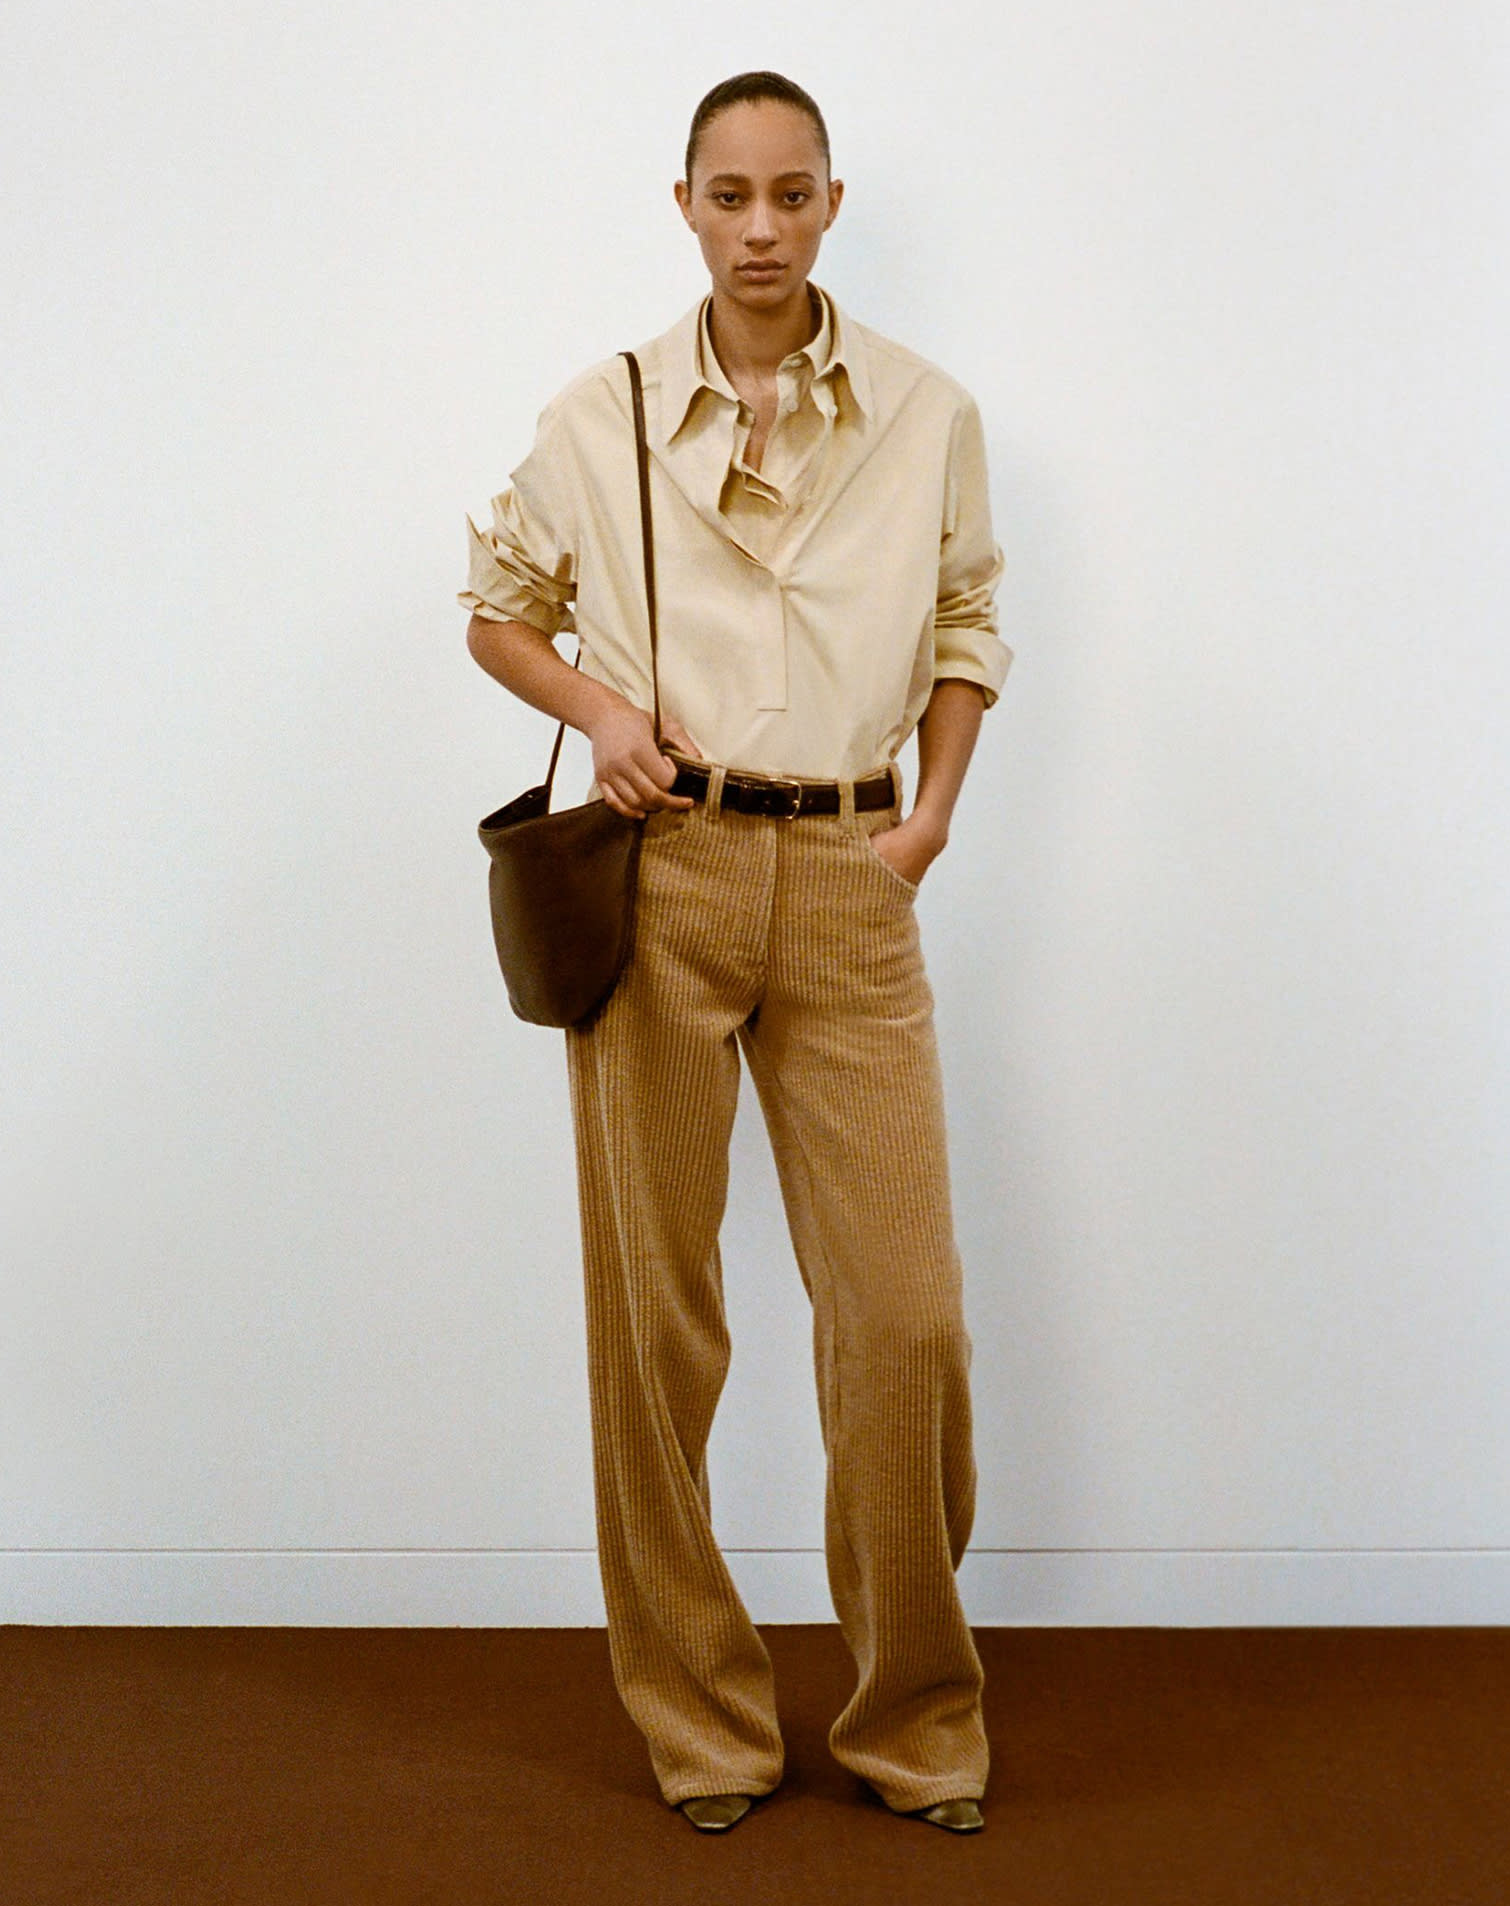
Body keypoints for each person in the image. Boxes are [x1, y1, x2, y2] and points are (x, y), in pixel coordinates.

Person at [458, 71, 1012, 1836]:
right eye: (728, 194)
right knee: (658, 1324)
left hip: (854, 876)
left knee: (905, 1321)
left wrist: (929, 816)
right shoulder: (600, 411)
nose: (759, 226)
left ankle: (916, 1719)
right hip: (665, 873)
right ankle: (700, 1720)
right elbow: (495, 611)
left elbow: (968, 620)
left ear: (831, 203)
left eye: (789, 193)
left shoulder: (926, 410)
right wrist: (599, 709)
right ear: (684, 205)